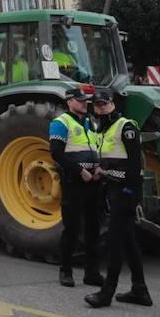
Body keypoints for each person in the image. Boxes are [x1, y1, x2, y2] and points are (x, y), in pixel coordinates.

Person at [86, 89, 151, 308]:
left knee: (115, 241)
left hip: (126, 190)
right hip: (116, 189)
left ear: (113, 104)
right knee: (129, 240)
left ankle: (106, 293)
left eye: (104, 104)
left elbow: (133, 167)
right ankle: (140, 290)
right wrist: (102, 170)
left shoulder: (126, 127)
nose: (101, 108)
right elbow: (111, 159)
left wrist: (109, 175)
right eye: (97, 105)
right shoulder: (105, 129)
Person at [49, 87, 103, 288]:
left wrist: (98, 166)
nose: (84, 103)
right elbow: (56, 153)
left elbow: (96, 147)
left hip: (93, 180)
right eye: (80, 100)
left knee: (93, 228)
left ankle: (92, 272)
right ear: (69, 101)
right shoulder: (60, 123)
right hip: (74, 181)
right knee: (71, 228)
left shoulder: (90, 122)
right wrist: (80, 171)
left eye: (85, 100)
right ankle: (66, 270)